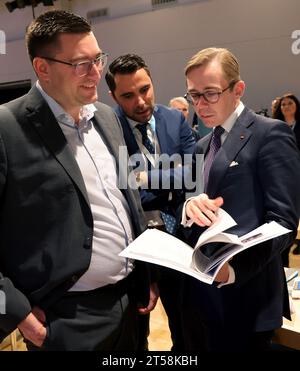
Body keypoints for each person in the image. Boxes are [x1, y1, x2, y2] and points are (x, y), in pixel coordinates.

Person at [0, 10, 158, 351]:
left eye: (98, 58)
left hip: (132, 304)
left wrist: (147, 274)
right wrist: (17, 313)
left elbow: (126, 202)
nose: (97, 73)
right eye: (81, 64)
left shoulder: (106, 117)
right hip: (65, 320)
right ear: (43, 68)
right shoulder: (6, 128)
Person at [180, 47, 300, 351]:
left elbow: (284, 222)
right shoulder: (201, 145)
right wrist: (188, 207)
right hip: (204, 294)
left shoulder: (270, 134)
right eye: (194, 95)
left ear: (238, 89)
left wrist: (235, 270)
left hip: (250, 295)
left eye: (210, 93)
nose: (200, 104)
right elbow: (194, 199)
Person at [105, 54, 195, 351]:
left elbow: (194, 175)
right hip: (136, 246)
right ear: (113, 96)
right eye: (128, 95)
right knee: (136, 336)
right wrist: (171, 176)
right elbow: (121, 188)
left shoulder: (173, 118)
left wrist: (142, 178)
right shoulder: (107, 129)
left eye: (145, 89)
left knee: (186, 327)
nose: (140, 101)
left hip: (180, 238)